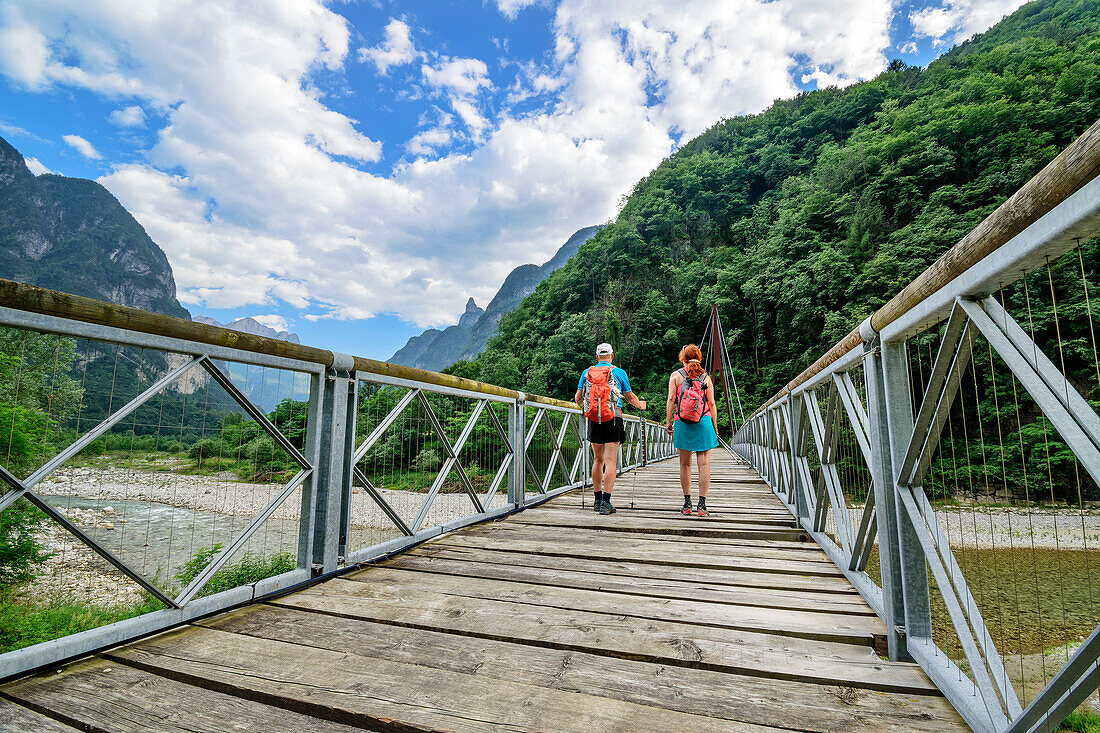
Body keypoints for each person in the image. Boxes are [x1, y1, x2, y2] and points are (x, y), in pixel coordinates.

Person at [575, 342, 647, 515]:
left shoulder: (587, 372)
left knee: (597, 461)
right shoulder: (619, 372)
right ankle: (606, 503)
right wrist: (642, 406)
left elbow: (578, 397)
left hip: (594, 419)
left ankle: (597, 499)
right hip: (613, 418)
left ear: (597, 356)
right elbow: (630, 397)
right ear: (612, 356)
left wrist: (587, 409)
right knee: (611, 462)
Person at [665, 344, 719, 516]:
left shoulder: (676, 376)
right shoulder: (706, 378)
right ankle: (702, 506)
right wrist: (715, 425)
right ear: (699, 357)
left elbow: (671, 399)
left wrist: (668, 422)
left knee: (685, 464)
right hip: (703, 421)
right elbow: (711, 403)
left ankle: (687, 504)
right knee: (704, 463)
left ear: (683, 358)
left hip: (682, 421)